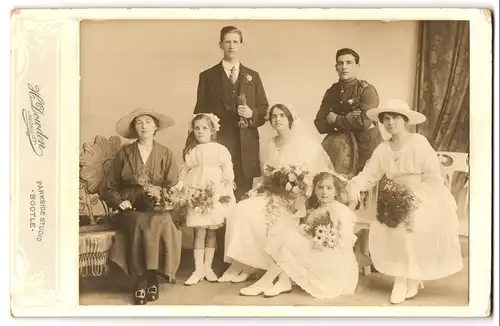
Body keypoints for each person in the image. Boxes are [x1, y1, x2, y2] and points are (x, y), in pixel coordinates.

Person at [346, 99, 464, 304]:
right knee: (388, 223)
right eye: (386, 119)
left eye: (395, 118)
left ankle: (407, 279)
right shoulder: (383, 149)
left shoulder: (418, 142)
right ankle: (404, 277)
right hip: (396, 197)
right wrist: (355, 185)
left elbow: (433, 177)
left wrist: (414, 196)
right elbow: (369, 174)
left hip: (426, 194)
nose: (390, 123)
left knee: (410, 223)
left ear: (405, 120)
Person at [218, 103, 336, 295]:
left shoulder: (303, 143)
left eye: (282, 115)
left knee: (271, 220)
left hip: (296, 198)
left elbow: (315, 177)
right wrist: (258, 190)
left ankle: (265, 271)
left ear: (290, 119)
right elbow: (267, 176)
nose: (278, 119)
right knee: (241, 209)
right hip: (272, 194)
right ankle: (245, 263)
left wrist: (301, 196)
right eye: (274, 116)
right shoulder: (270, 144)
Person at [102, 109, 182, 305]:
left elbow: (172, 186)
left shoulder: (165, 153)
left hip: (157, 208)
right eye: (139, 122)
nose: (144, 126)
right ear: (134, 128)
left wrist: (162, 196)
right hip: (130, 209)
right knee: (140, 223)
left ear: (155, 127)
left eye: (148, 122)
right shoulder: (124, 153)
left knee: (161, 221)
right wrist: (119, 201)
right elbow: (109, 186)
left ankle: (151, 277)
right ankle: (142, 280)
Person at [193, 25, 269, 201]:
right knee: (218, 197)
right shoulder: (207, 76)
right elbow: (199, 113)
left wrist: (252, 113)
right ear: (220, 44)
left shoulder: (253, 76)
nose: (231, 46)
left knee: (242, 197)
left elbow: (264, 110)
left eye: (235, 42)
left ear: (241, 44)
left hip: (245, 147)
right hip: (218, 145)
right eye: (227, 41)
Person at [262, 172, 359, 298]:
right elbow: (310, 232)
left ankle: (274, 282)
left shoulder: (341, 211)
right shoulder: (316, 212)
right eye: (320, 187)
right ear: (315, 190)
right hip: (318, 249)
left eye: (329, 188)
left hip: (334, 258)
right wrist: (306, 230)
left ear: (336, 192)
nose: (324, 192)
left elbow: (346, 241)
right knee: (288, 235)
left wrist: (328, 243)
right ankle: (282, 281)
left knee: (288, 237)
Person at [177, 113, 236, 285]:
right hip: (196, 194)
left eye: (204, 128)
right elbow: (184, 171)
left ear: (212, 130)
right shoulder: (192, 151)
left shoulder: (220, 150)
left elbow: (227, 171)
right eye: (197, 128)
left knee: (211, 231)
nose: (200, 131)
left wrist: (221, 190)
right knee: (199, 230)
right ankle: (198, 269)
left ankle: (208, 267)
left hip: (214, 192)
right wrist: (181, 186)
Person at [314, 48, 382, 178]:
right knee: (339, 187)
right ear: (336, 67)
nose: (344, 67)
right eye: (340, 63)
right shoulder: (332, 92)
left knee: (366, 188)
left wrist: (335, 119)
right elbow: (319, 124)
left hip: (366, 148)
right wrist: (349, 119)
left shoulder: (367, 90)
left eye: (349, 62)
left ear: (357, 66)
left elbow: (364, 122)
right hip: (341, 150)